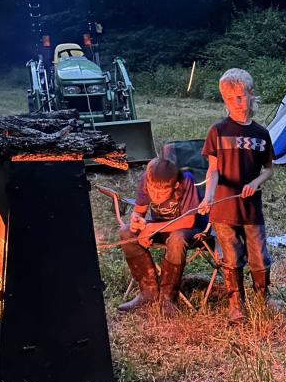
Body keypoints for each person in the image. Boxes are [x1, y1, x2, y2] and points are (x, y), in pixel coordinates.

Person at [198, 68, 275, 323]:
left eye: (241, 97)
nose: (237, 104)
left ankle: (262, 301)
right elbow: (214, 171)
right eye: (231, 99)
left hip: (251, 208)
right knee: (231, 256)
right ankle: (236, 305)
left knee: (259, 256)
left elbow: (269, 170)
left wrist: (254, 182)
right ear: (225, 100)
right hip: (223, 209)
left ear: (251, 95)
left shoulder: (261, 134)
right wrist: (208, 196)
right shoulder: (217, 131)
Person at [117, 157, 201, 315]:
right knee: (126, 232)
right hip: (159, 226)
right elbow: (139, 210)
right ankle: (148, 292)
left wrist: (151, 228)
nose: (155, 195)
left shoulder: (185, 180)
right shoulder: (147, 178)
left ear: (175, 186)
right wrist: (137, 222)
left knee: (176, 239)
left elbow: (189, 221)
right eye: (152, 190)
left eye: (162, 192)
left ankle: (168, 298)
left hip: (187, 229)